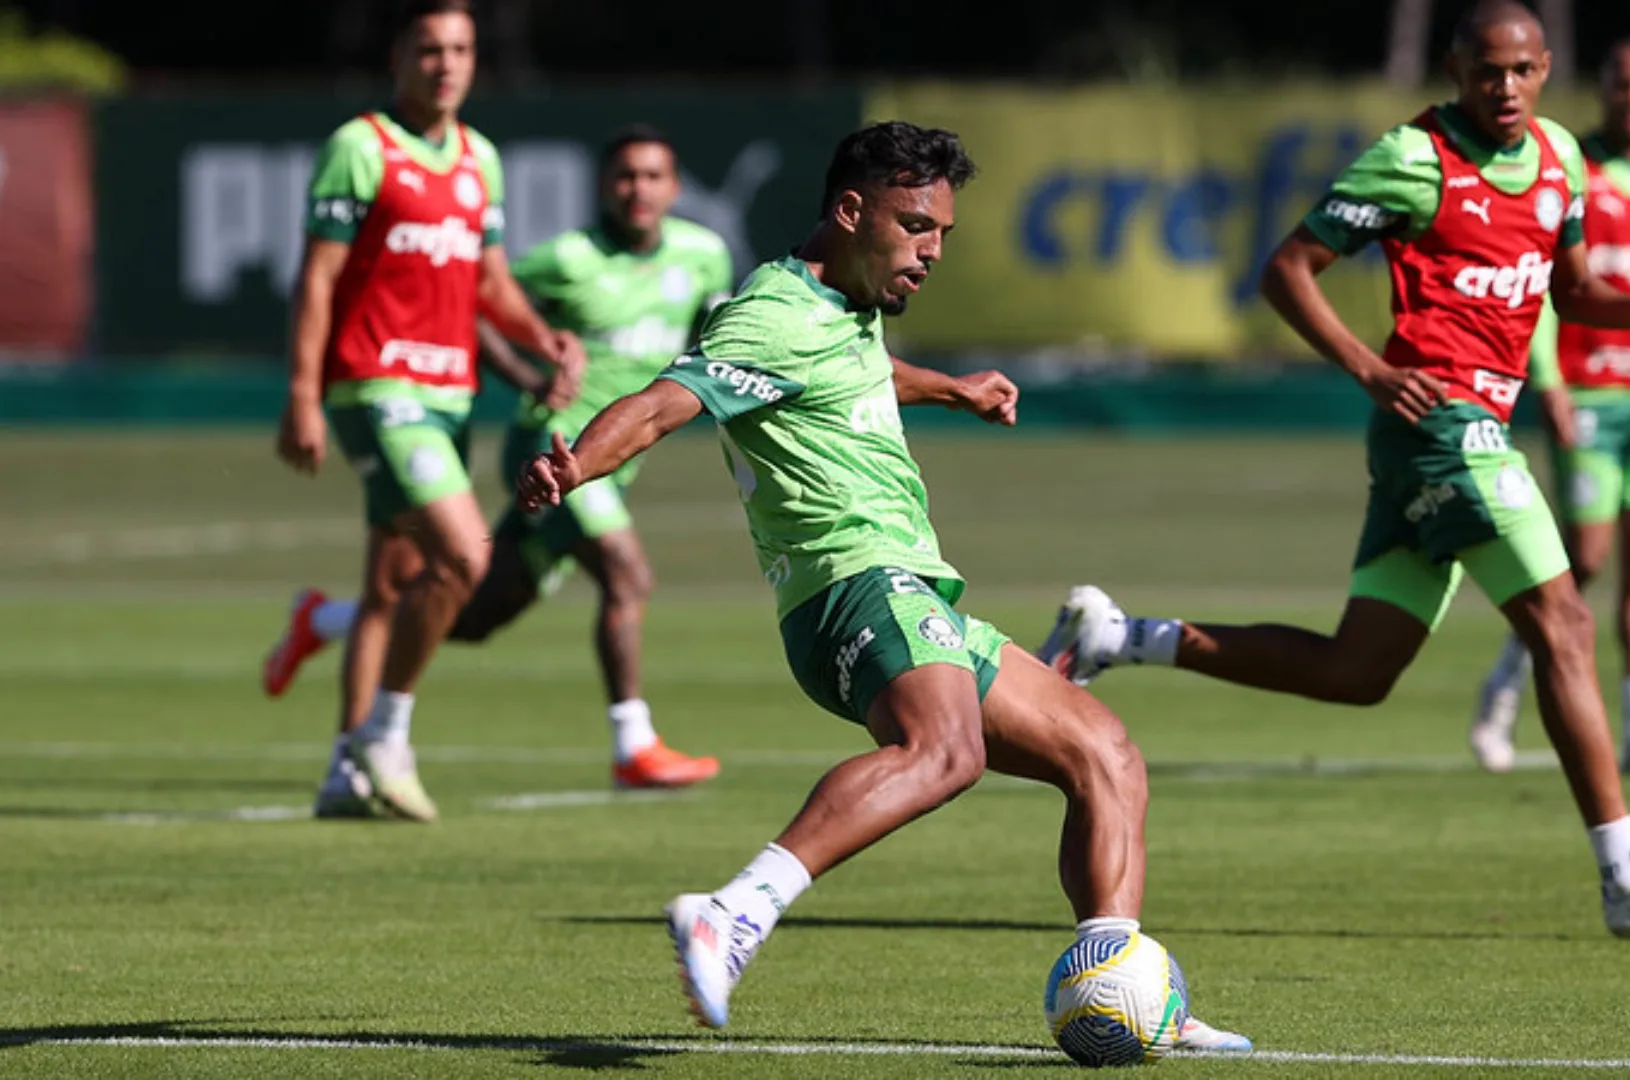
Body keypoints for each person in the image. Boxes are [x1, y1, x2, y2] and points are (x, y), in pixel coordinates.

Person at [518, 121, 1250, 1048]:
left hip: (913, 589)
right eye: (915, 227)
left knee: (1104, 755)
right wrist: (577, 466)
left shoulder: (848, 304)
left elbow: (859, 372)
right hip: (849, 584)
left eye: (942, 232)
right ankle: (734, 911)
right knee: (946, 752)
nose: (932, 250)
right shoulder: (770, 313)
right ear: (851, 211)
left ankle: (1124, 983)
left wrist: (954, 389)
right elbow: (667, 401)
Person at [1037, 2, 1630, 938]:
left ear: (1545, 71)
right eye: (1487, 70)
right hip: (1440, 425)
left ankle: (1119, 637)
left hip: (1461, 429)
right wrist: (1370, 370)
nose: (1505, 87)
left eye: (1522, 70)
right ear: (1455, 70)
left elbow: (1573, 290)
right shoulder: (1414, 158)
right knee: (1565, 620)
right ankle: (1628, 872)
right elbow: (1288, 270)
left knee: (1357, 669)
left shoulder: (1560, 161)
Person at [267, 125, 728, 792]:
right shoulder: (567, 259)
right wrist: (528, 378)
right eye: (626, 176)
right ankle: (633, 744)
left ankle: (324, 620)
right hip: (553, 447)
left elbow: (711, 345)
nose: (639, 190)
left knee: (477, 612)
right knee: (627, 575)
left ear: (676, 187)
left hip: (617, 461)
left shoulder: (705, 255)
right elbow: (475, 301)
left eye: (653, 176)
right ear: (603, 185)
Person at [271, 0, 585, 822]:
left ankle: (344, 775)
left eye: (460, 49)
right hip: (378, 388)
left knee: (389, 588)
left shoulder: (480, 158)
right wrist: (301, 394)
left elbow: (490, 282)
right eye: (430, 48)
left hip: (449, 396)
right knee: (463, 558)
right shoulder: (361, 147)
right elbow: (317, 279)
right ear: (398, 57)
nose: (446, 64)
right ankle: (385, 738)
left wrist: (542, 338)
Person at [1471, 37, 1630, 782]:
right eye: (1620, 85)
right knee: (1581, 560)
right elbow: (1545, 284)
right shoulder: (1569, 168)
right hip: (1589, 390)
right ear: (1602, 90)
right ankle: (1504, 687)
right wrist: (1547, 380)